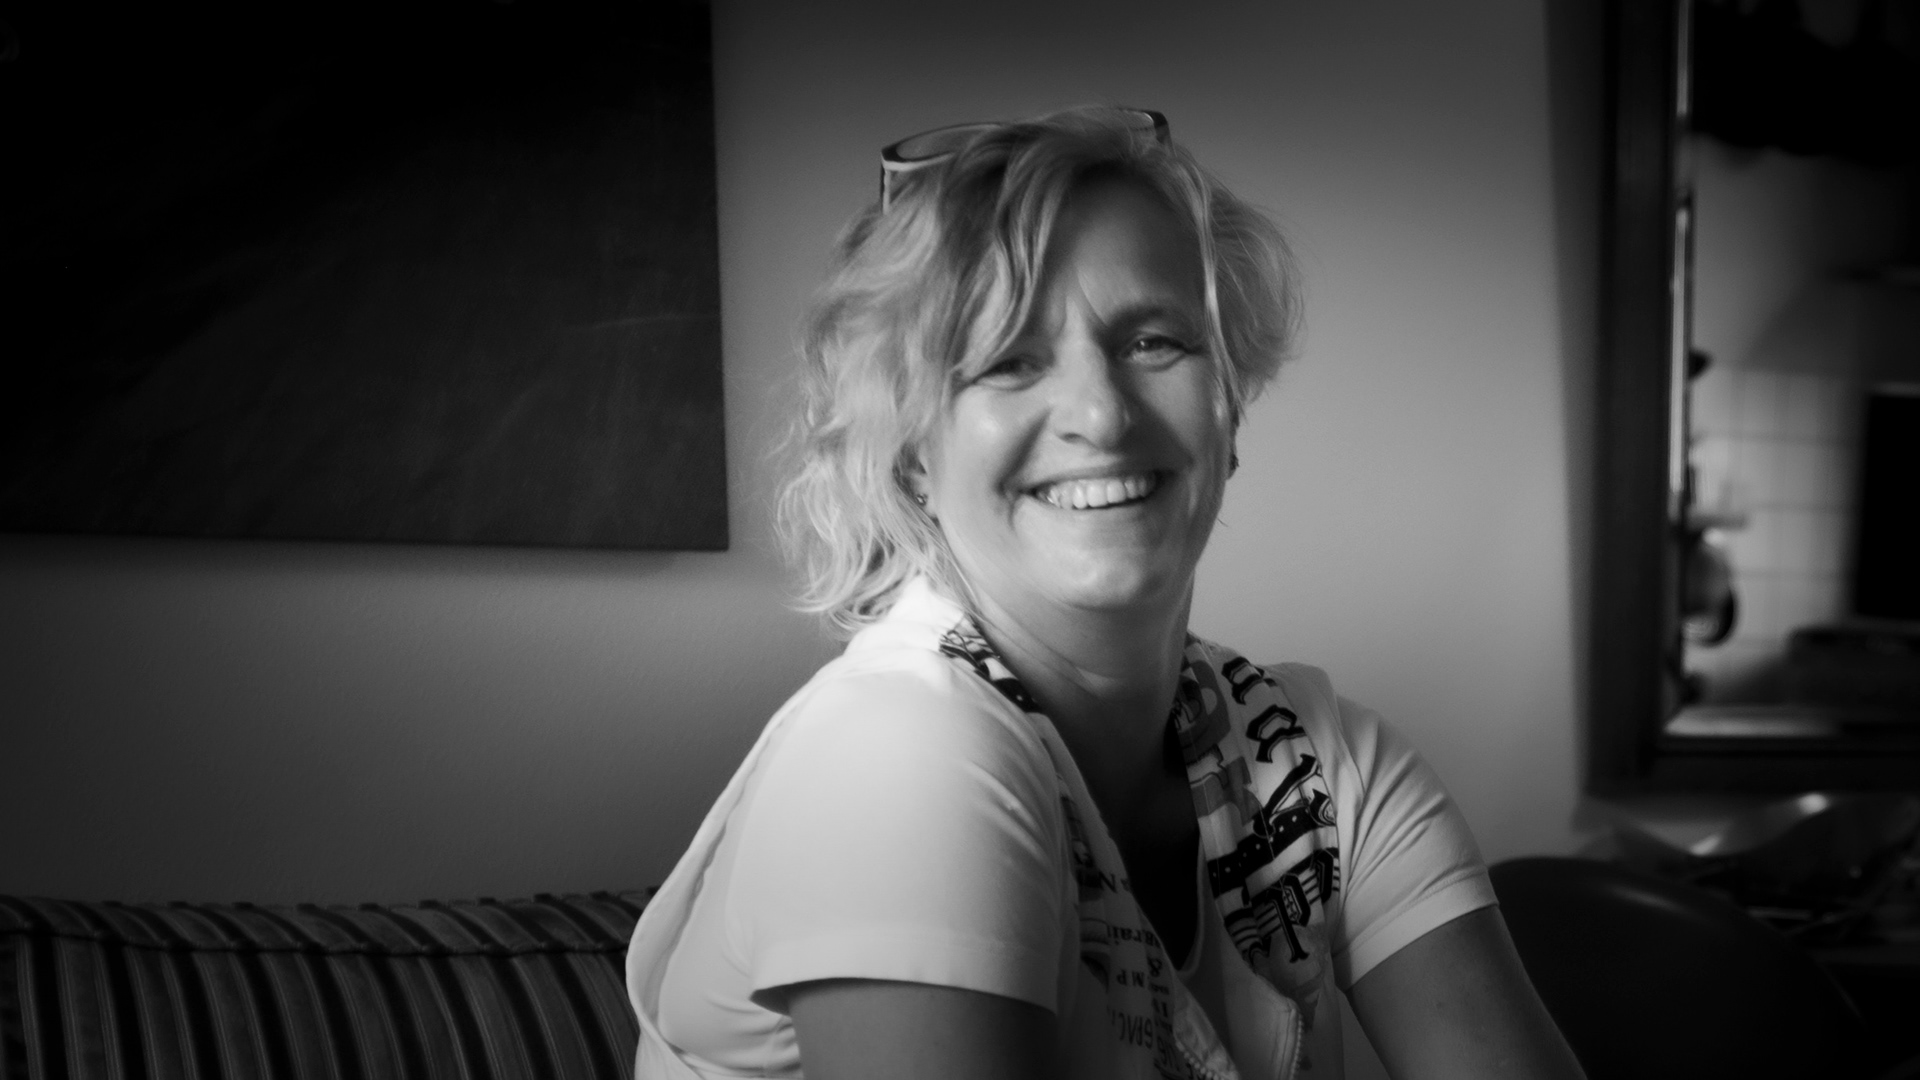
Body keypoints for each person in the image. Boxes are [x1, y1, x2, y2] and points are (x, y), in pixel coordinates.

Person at [626, 106, 1584, 1080]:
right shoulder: (893, 750)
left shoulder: (1323, 765)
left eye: (1153, 342)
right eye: (1008, 360)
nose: (1100, 413)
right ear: (910, 456)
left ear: (1228, 410)